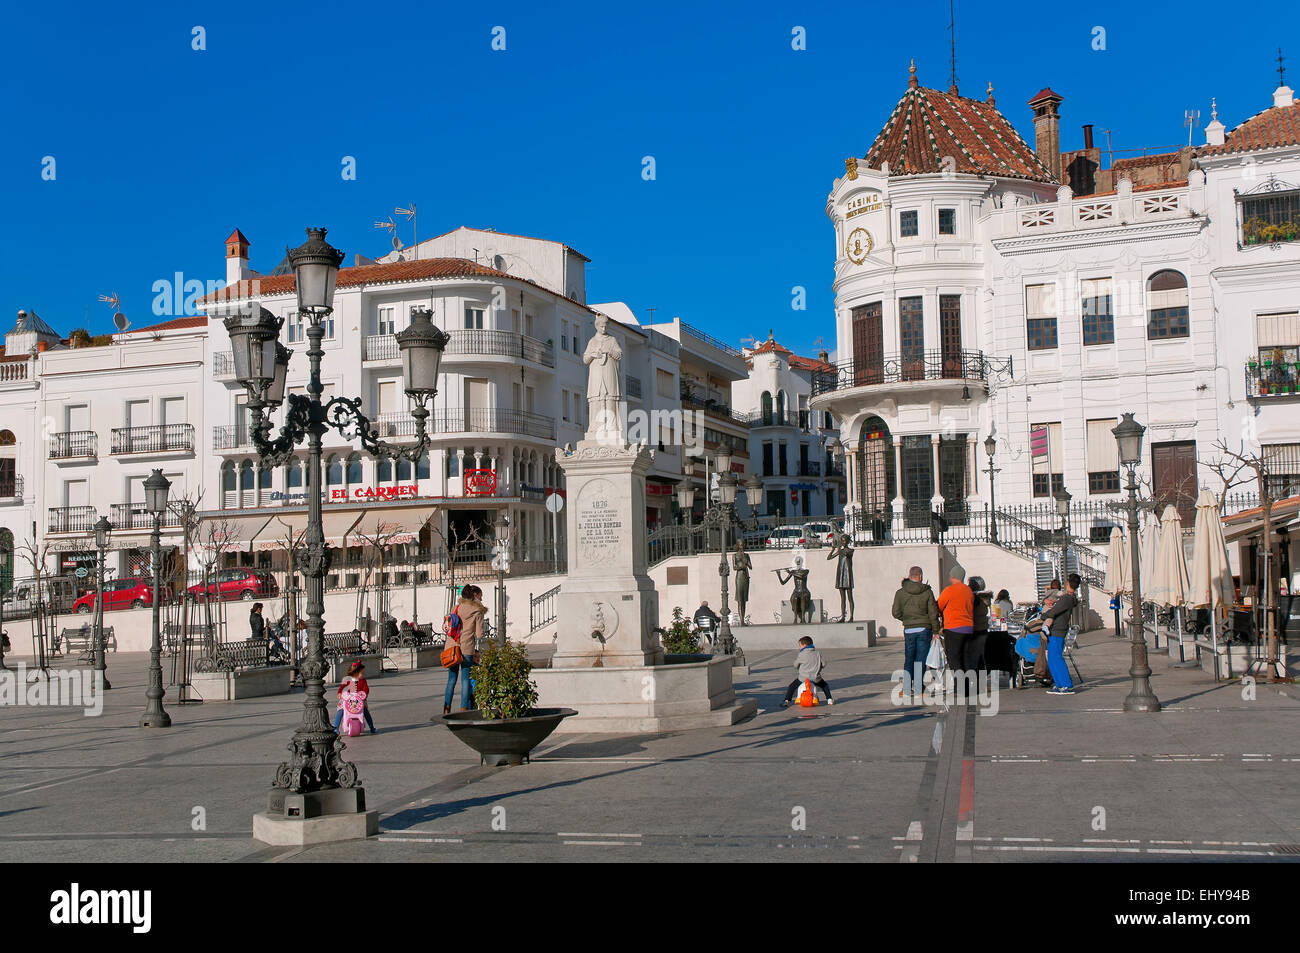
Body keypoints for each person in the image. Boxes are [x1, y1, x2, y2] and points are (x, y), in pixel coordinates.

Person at [892, 566, 940, 698]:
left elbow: (895, 613)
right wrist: (936, 630)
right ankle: (919, 689)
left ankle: (907, 688)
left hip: (909, 629)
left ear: (909, 576)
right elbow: (933, 613)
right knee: (920, 659)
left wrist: (906, 619)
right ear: (920, 576)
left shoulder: (900, 592)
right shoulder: (927, 592)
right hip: (924, 629)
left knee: (909, 658)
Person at [444, 584, 485, 714]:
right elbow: (479, 634)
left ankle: (446, 708)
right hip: (467, 648)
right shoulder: (477, 611)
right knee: (465, 679)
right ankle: (464, 708)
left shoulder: (455, 608)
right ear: (474, 597)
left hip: (452, 647)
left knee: (451, 679)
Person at [1041, 573, 1079, 695]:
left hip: (1058, 629)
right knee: (1052, 658)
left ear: (1068, 584)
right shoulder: (1068, 598)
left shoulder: (1066, 599)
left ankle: (1066, 684)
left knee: (1056, 657)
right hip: (1057, 629)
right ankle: (1059, 683)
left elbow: (1055, 611)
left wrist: (1044, 615)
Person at [937, 564, 975, 675]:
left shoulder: (949, 590)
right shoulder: (969, 591)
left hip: (953, 628)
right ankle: (968, 685)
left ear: (953, 576)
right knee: (965, 658)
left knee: (954, 658)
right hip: (968, 628)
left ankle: (960, 687)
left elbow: (939, 606)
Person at [781, 636, 834, 707]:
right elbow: (824, 664)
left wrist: (799, 668)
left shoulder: (801, 654)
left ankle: (787, 700)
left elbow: (795, 665)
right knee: (824, 686)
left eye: (799, 645)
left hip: (803, 678)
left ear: (804, 645)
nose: (799, 647)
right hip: (816, 678)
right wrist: (819, 668)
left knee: (792, 686)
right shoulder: (817, 653)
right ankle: (829, 699)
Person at [333, 660, 377, 734]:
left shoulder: (363, 681)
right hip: (348, 699)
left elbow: (366, 689)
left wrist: (364, 694)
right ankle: (336, 727)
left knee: (365, 711)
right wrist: (340, 693)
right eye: (361, 673)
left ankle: (371, 726)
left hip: (359, 699)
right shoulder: (348, 680)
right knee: (340, 710)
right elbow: (342, 687)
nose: (362, 675)